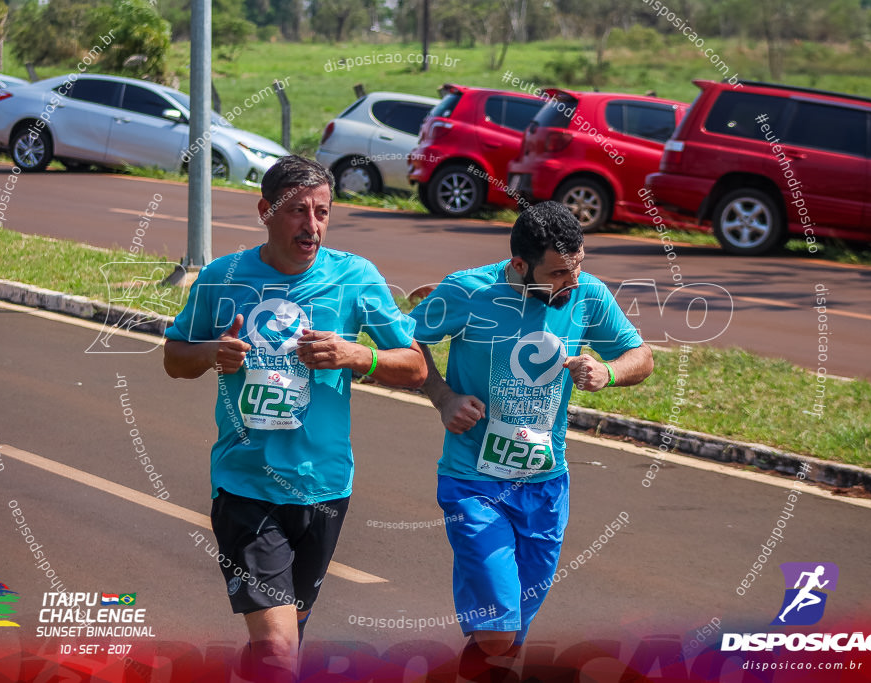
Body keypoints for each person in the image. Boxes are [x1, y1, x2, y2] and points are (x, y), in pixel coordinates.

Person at [163, 155, 427, 682]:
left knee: (292, 630)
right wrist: (215, 351)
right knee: (281, 649)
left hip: (326, 487)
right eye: (298, 212)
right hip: (245, 486)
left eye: (323, 213)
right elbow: (175, 358)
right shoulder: (224, 277)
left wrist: (359, 356)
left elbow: (416, 365)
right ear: (265, 211)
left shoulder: (356, 277)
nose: (312, 227)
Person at [411, 200, 653, 678]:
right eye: (560, 273)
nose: (574, 282)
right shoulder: (468, 290)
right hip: (473, 482)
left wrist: (608, 371)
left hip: (546, 485)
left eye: (579, 267)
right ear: (520, 265)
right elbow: (405, 341)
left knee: (509, 635)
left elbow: (640, 356)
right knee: (500, 628)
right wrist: (443, 397)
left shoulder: (587, 295)